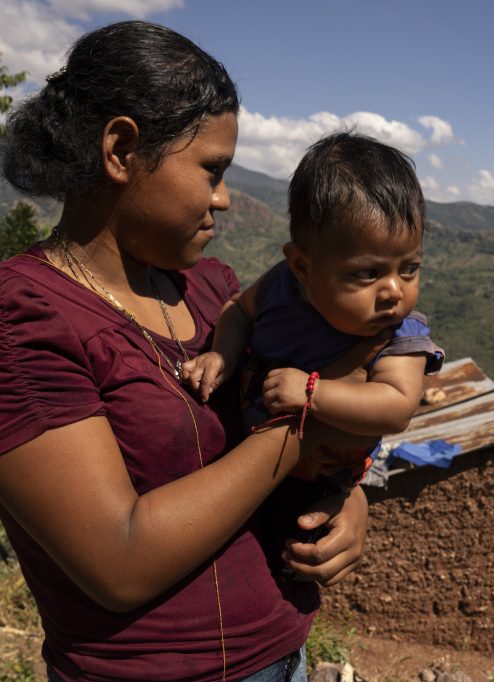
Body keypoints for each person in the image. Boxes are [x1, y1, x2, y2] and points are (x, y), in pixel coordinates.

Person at [0, 21, 369, 682]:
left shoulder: (216, 295)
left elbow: (313, 436)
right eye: (211, 171)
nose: (223, 198)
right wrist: (301, 427)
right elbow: (120, 561)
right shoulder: (5, 319)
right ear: (121, 149)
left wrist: (347, 496)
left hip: (285, 656)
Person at [181, 133, 443, 526]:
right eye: (368, 273)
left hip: (312, 491)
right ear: (303, 267)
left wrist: (312, 393)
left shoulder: (399, 334)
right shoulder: (281, 287)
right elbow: (237, 310)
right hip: (235, 473)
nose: (394, 291)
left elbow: (396, 407)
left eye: (409, 268)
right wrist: (223, 354)